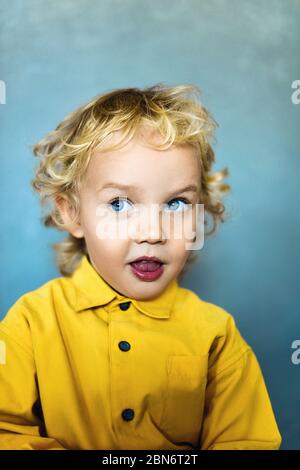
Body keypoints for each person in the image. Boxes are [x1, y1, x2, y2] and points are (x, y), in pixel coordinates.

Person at [0, 84, 282, 450]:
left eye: (177, 203)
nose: (153, 232)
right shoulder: (31, 324)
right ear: (71, 212)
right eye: (119, 204)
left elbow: (248, 441)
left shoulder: (217, 335)